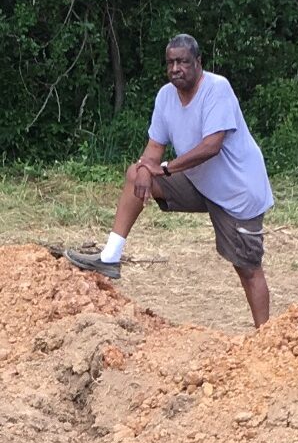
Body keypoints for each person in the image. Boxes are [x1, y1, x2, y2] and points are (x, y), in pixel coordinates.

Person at [65, 33, 274, 328]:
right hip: (200, 183)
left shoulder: (217, 89)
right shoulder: (165, 96)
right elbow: (153, 149)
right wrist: (143, 168)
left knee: (247, 268)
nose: (176, 68)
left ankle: (265, 336)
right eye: (171, 62)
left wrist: (162, 169)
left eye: (183, 62)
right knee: (134, 175)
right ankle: (110, 256)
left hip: (238, 192)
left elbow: (210, 147)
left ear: (198, 62)